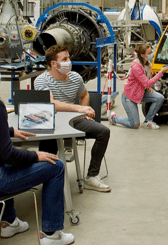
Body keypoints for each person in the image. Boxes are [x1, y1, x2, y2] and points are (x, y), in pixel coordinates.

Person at [0, 49, 74, 245]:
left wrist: (6, 131)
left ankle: (9, 222)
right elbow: (9, 156)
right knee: (55, 165)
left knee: (4, 160)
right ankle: (52, 234)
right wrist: (36, 156)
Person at [33, 45, 112, 192]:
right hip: (51, 121)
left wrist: (83, 113)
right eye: (64, 59)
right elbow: (51, 103)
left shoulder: (76, 78)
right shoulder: (41, 80)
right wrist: (79, 108)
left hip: (73, 120)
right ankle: (45, 177)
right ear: (53, 64)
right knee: (49, 145)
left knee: (103, 132)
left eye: (68, 58)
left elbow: (84, 95)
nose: (69, 61)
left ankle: (91, 177)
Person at [109, 44, 168, 129]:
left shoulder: (147, 64)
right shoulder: (136, 67)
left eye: (151, 52)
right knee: (135, 125)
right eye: (149, 53)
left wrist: (148, 87)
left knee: (159, 98)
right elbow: (147, 83)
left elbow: (147, 79)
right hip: (129, 96)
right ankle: (114, 118)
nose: (152, 54)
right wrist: (160, 73)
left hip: (140, 93)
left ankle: (148, 121)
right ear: (142, 55)